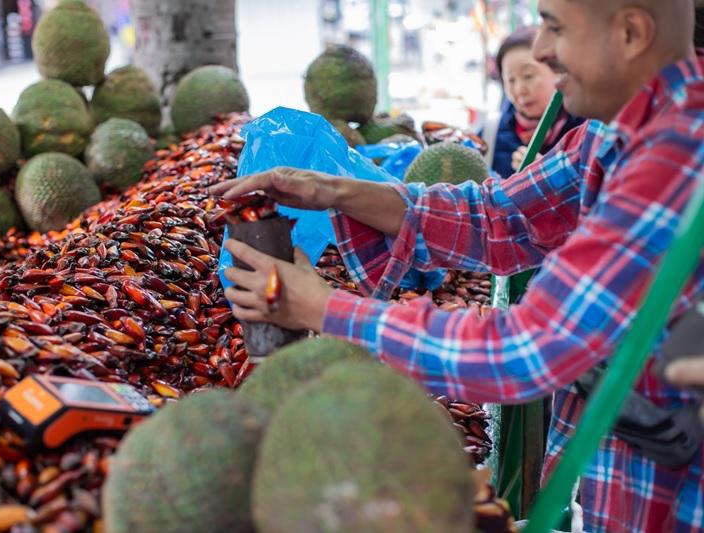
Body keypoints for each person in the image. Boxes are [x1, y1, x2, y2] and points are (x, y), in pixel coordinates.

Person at [211, 0, 704, 531]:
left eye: (554, 27)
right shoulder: (619, 131)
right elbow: (501, 216)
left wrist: (319, 306)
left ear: (631, 32)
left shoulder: (675, 160)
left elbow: (526, 348)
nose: (539, 49)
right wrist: (337, 190)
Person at [483, 26, 584, 178]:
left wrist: (552, 176)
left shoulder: (584, 131)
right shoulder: (489, 135)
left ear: (558, 72)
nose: (519, 89)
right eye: (511, 80)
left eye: (528, 76)